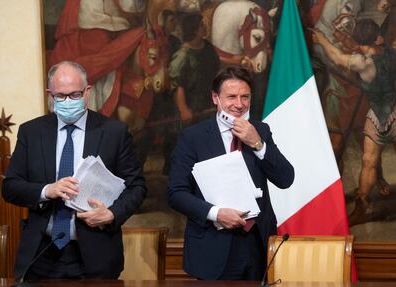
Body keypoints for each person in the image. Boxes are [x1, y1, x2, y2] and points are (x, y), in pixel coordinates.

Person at [2, 61, 147, 281]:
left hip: (95, 255)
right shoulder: (31, 132)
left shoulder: (113, 133)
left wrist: (112, 214)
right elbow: (10, 187)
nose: (67, 101)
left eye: (74, 95)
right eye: (60, 96)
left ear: (87, 92)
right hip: (41, 255)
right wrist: (47, 190)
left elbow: (137, 186)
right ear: (50, 96)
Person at [167, 66, 294, 280]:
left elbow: (285, 178)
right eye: (232, 97)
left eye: (245, 97)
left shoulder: (260, 130)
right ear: (216, 98)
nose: (239, 104)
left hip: (257, 245)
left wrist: (258, 144)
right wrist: (216, 213)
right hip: (211, 245)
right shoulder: (193, 137)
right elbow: (176, 193)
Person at [311, 19, 396, 226]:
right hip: (388, 113)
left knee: (368, 162)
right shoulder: (390, 53)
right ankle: (361, 207)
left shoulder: (361, 62)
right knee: (368, 161)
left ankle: (361, 207)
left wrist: (322, 40)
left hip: (378, 116)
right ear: (377, 37)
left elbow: (338, 57)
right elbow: (362, 48)